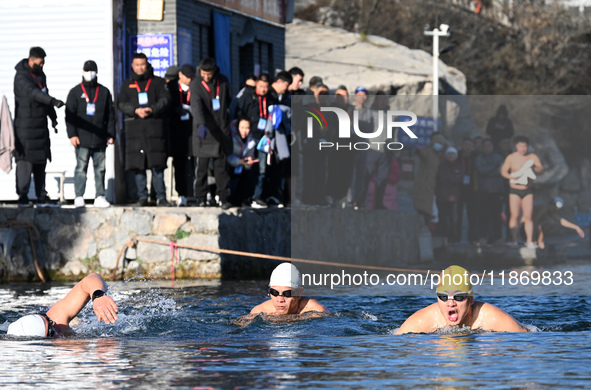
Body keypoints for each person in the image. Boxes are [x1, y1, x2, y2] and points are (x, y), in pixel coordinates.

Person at [395, 265, 527, 334]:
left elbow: (528, 346)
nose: (450, 303)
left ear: (471, 299)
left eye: (458, 297)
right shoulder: (421, 321)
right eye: (443, 297)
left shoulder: (494, 319)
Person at [13, 46, 65, 208]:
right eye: (40, 62)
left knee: (40, 161)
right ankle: (22, 195)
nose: (42, 66)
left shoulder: (41, 76)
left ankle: (41, 194)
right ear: (31, 60)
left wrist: (53, 116)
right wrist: (52, 101)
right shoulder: (21, 77)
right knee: (25, 161)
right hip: (25, 128)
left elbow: (44, 94)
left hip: (40, 127)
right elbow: (34, 93)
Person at [117, 53, 171, 207]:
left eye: (142, 65)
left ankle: (160, 196)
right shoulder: (127, 84)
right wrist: (135, 110)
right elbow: (121, 103)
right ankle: (142, 196)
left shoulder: (158, 82)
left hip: (154, 129)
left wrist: (151, 109)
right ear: (132, 66)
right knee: (138, 166)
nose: (140, 68)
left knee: (157, 165)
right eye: (137, 65)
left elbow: (165, 100)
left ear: (147, 65)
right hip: (135, 130)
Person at [65, 60, 115, 208]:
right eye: (87, 70)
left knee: (100, 169)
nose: (89, 73)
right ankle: (79, 196)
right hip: (82, 139)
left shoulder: (104, 92)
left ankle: (100, 196)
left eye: (92, 70)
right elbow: (70, 116)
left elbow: (110, 115)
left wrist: (110, 134)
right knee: (81, 168)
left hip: (99, 139)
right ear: (82, 72)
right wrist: (72, 134)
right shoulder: (75, 92)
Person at [7, 273, 118, 337]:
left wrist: (98, 295)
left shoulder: (56, 321)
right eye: (51, 330)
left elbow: (91, 278)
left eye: (46, 320)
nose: (54, 324)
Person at [190, 57, 232, 210]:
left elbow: (228, 101)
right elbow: (196, 107)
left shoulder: (223, 81)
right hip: (204, 131)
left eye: (209, 74)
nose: (206, 77)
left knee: (221, 168)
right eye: (203, 73)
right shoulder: (195, 85)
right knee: (201, 168)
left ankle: (223, 197)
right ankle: (200, 197)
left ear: (214, 71)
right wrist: (201, 124)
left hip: (221, 130)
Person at [236, 73, 277, 208]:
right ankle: (246, 196)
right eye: (260, 86)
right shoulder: (248, 96)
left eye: (265, 87)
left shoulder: (271, 98)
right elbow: (238, 112)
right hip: (250, 137)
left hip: (264, 138)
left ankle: (257, 196)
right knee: (248, 167)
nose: (263, 90)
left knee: (262, 168)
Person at [500, 136, 544, 248]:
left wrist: (534, 167)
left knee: (528, 216)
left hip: (527, 190)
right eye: (520, 146)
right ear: (516, 146)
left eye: (525, 146)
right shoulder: (511, 157)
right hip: (515, 189)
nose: (523, 148)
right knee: (514, 215)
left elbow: (541, 170)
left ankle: (529, 241)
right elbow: (503, 172)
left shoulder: (532, 157)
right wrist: (512, 177)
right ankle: (514, 240)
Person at [249, 263, 326, 316]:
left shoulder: (316, 311)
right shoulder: (259, 312)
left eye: (287, 293)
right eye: (274, 292)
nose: (280, 299)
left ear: (299, 293)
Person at [168, 64, 196, 207]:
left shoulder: (196, 89)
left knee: (194, 163)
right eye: (187, 77)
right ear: (180, 75)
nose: (189, 80)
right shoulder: (172, 89)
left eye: (191, 77)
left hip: (193, 131)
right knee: (179, 164)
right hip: (177, 132)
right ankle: (182, 194)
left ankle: (195, 193)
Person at [412, 133, 447, 225]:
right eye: (438, 142)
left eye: (441, 144)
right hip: (424, 184)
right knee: (423, 209)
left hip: (432, 185)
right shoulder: (428, 151)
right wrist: (418, 151)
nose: (439, 145)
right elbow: (422, 154)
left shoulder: (438, 156)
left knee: (428, 210)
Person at [474, 138, 504, 245]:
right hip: (483, 190)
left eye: (489, 145)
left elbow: (501, 170)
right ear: (482, 147)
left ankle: (497, 238)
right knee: (483, 216)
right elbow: (481, 170)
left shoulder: (499, 157)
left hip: (497, 190)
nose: (487, 148)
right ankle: (483, 237)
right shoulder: (479, 158)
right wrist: (494, 170)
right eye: (485, 146)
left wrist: (489, 170)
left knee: (497, 215)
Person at [435, 147, 462, 243]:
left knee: (454, 219)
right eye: (449, 154)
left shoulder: (459, 166)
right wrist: (452, 179)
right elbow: (441, 178)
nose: (451, 156)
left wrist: (449, 178)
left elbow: (459, 179)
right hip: (442, 196)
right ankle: (443, 236)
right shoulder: (442, 166)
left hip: (454, 197)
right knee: (443, 217)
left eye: (453, 154)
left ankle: (454, 237)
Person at [456, 138, 478, 244]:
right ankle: (456, 237)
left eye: (470, 145)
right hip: (459, 187)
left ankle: (472, 238)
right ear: (462, 145)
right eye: (465, 145)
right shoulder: (457, 156)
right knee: (457, 214)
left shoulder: (476, 157)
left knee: (473, 214)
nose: (467, 147)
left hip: (472, 187)